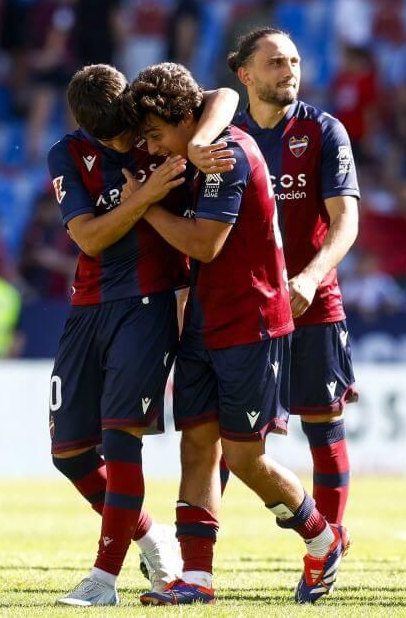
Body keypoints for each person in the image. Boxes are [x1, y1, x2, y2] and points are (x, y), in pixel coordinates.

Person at [127, 62, 347, 606]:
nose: (153, 149)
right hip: (205, 319)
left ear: (183, 120)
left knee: (244, 458)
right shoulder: (193, 148)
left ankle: (322, 539)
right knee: (196, 446)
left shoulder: (229, 154)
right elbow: (218, 94)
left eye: (156, 135)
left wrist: (145, 202)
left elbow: (204, 244)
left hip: (253, 321)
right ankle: (197, 579)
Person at [47, 63, 239, 606]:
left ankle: (103, 580)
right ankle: (152, 539)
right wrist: (148, 194)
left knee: (120, 438)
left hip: (150, 302)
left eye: (131, 133)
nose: (128, 143)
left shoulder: (154, 125)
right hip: (87, 306)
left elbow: (223, 94)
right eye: (112, 138)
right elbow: (87, 237)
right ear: (87, 130)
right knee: (69, 453)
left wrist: (199, 143)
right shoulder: (67, 153)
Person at [227, 27, 360, 527]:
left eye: (295, 62)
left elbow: (346, 220)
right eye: (276, 63)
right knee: (227, 435)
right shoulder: (224, 137)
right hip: (244, 307)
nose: (289, 72)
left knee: (324, 425)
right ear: (246, 74)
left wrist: (307, 278)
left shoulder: (324, 130)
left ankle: (330, 546)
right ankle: (199, 561)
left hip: (312, 299)